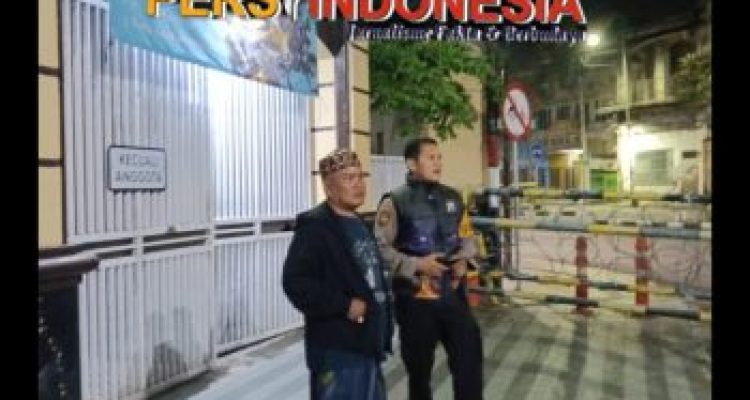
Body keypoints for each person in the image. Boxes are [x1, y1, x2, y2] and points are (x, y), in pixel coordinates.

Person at [374, 137, 483, 400]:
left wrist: (464, 260)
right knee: (419, 376)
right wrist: (416, 265)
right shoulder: (394, 201)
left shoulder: (453, 198)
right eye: (430, 157)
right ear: (412, 164)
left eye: (439, 157)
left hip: (454, 299)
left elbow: (468, 239)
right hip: (416, 304)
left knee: (470, 364)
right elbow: (379, 248)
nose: (438, 162)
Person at [282, 149, 393, 400]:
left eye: (360, 176)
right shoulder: (316, 227)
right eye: (348, 178)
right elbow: (295, 282)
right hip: (338, 353)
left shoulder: (359, 222)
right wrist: (344, 305)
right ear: (329, 188)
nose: (358, 184)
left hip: (367, 346)